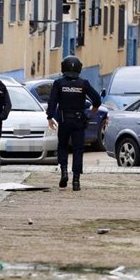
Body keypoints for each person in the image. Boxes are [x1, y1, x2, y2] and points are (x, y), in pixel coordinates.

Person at [46, 55, 101, 191]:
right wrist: (91, 113)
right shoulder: (83, 83)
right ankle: (76, 181)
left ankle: (64, 172)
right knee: (78, 150)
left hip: (64, 120)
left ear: (63, 67)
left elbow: (52, 102)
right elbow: (97, 100)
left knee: (63, 147)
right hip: (78, 121)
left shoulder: (59, 83)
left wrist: (49, 117)